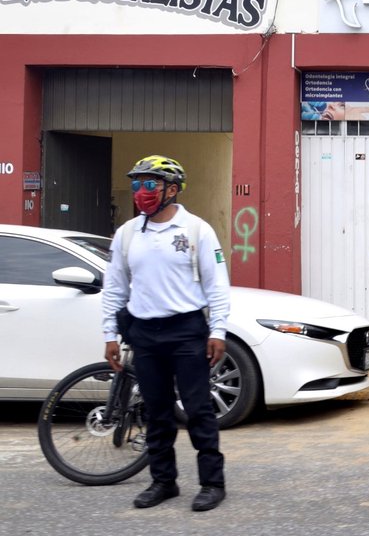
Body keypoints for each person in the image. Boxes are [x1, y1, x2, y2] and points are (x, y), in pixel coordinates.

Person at [101, 155, 231, 512]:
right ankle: (164, 481)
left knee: (198, 409)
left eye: (149, 185)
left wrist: (217, 330)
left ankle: (212, 483)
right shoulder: (127, 234)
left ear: (171, 190)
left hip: (186, 330)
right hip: (145, 333)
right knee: (156, 412)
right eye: (136, 185)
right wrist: (110, 334)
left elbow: (217, 284)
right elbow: (115, 288)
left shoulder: (197, 230)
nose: (140, 192)